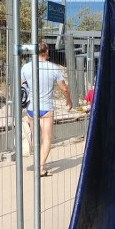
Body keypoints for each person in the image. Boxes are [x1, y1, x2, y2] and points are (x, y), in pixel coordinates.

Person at [20, 41, 72, 176]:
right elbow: (64, 89)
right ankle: (41, 167)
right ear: (47, 52)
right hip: (46, 108)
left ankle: (32, 146)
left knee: (35, 137)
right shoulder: (53, 68)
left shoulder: (26, 67)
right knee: (47, 138)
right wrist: (69, 101)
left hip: (32, 107)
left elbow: (21, 87)